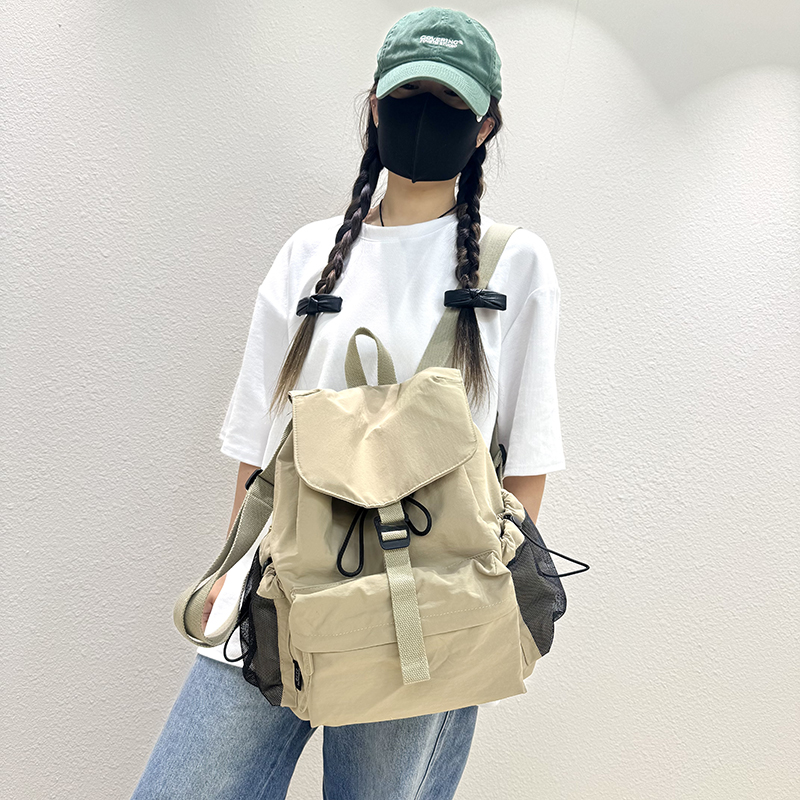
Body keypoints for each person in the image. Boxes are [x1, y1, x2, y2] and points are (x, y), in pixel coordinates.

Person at [130, 7, 565, 799]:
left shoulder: (514, 264)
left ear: (485, 127)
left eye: (451, 103)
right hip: (280, 581)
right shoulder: (308, 254)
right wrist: (232, 573)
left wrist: (490, 599)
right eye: (407, 97)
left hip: (428, 600)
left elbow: (526, 458)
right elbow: (259, 444)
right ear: (373, 107)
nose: (425, 116)